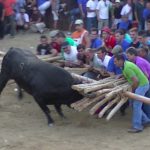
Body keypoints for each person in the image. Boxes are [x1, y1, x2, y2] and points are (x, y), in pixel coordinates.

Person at [114, 54, 150, 133]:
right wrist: (121, 75)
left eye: (116, 61)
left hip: (141, 85)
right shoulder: (124, 65)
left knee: (136, 105)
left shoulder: (127, 67)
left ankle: (137, 126)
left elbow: (136, 81)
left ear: (121, 61)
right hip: (141, 84)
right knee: (133, 104)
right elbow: (130, 76)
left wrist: (132, 91)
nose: (114, 63)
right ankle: (146, 120)